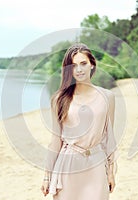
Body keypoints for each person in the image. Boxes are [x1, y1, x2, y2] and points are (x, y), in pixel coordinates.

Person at [41, 43, 117, 200]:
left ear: (92, 65)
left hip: (96, 164)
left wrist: (111, 171)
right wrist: (47, 176)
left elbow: (109, 138)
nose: (79, 70)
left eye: (83, 64)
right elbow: (55, 141)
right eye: (73, 66)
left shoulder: (107, 97)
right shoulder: (59, 99)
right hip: (68, 166)